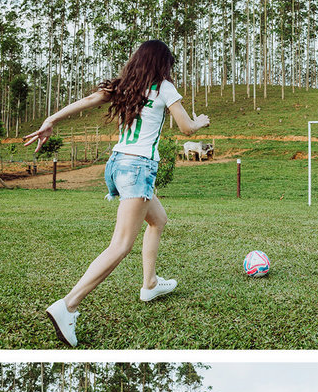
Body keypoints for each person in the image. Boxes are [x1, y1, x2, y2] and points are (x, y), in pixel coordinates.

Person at [24, 39, 209, 347]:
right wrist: (200, 121)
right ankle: (68, 305)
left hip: (118, 164)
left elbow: (84, 101)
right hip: (137, 168)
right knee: (121, 245)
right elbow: (187, 128)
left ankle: (149, 283)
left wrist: (51, 120)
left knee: (158, 219)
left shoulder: (124, 86)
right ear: (163, 64)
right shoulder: (164, 88)